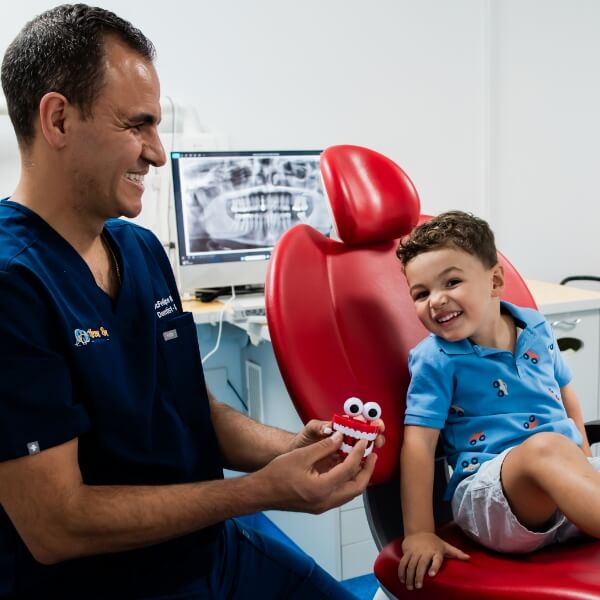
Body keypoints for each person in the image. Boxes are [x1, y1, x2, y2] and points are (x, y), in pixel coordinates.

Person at [0, 5, 384, 598]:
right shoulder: (13, 284)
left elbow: (190, 409)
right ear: (57, 120)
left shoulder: (141, 248)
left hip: (208, 548)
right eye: (137, 125)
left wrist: (297, 449)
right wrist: (262, 491)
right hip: (108, 584)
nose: (157, 153)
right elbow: (57, 523)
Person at [395, 210, 600, 591]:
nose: (436, 301)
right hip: (492, 497)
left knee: (555, 449)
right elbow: (419, 446)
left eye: (451, 282)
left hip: (565, 481)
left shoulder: (536, 327)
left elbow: (566, 395)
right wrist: (419, 532)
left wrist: (584, 462)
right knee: (544, 448)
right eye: (421, 294)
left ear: (495, 280)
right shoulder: (436, 359)